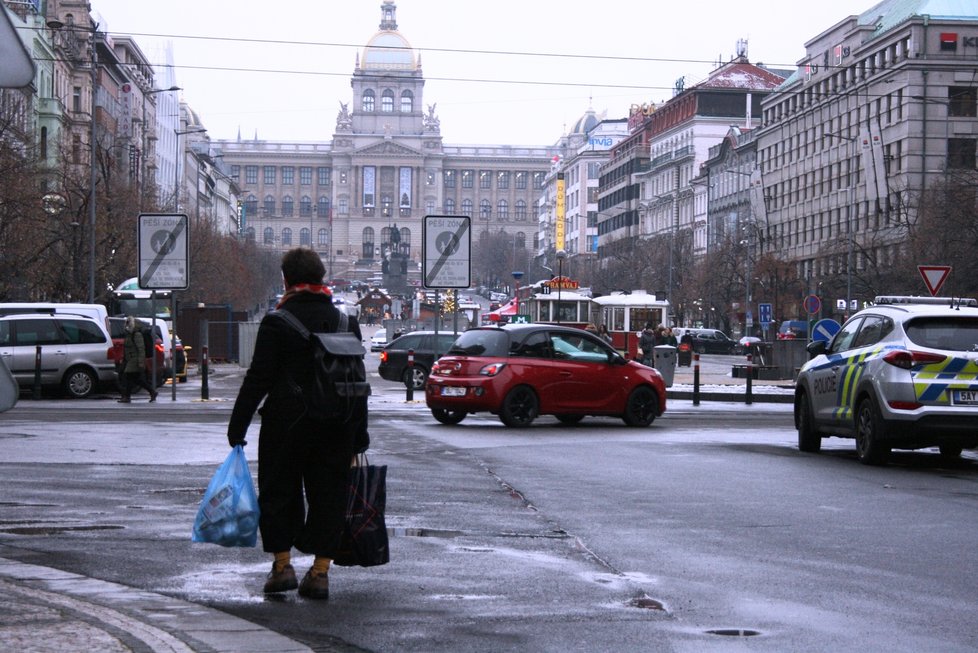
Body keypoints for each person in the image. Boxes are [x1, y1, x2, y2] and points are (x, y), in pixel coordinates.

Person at [227, 247, 369, 600]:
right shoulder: (345, 323)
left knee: (279, 492)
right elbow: (357, 381)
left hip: (286, 422)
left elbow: (258, 378)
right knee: (329, 496)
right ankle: (320, 572)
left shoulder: (277, 322)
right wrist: (359, 434)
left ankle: (282, 566)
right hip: (338, 424)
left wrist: (238, 426)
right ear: (320, 279)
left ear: (287, 280)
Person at [118, 317, 157, 403]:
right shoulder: (129, 334)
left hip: (134, 360)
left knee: (128, 377)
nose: (126, 325)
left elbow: (141, 349)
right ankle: (152, 392)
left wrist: (140, 362)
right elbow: (127, 349)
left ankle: (127, 397)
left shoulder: (136, 335)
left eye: (128, 323)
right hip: (129, 360)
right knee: (136, 379)